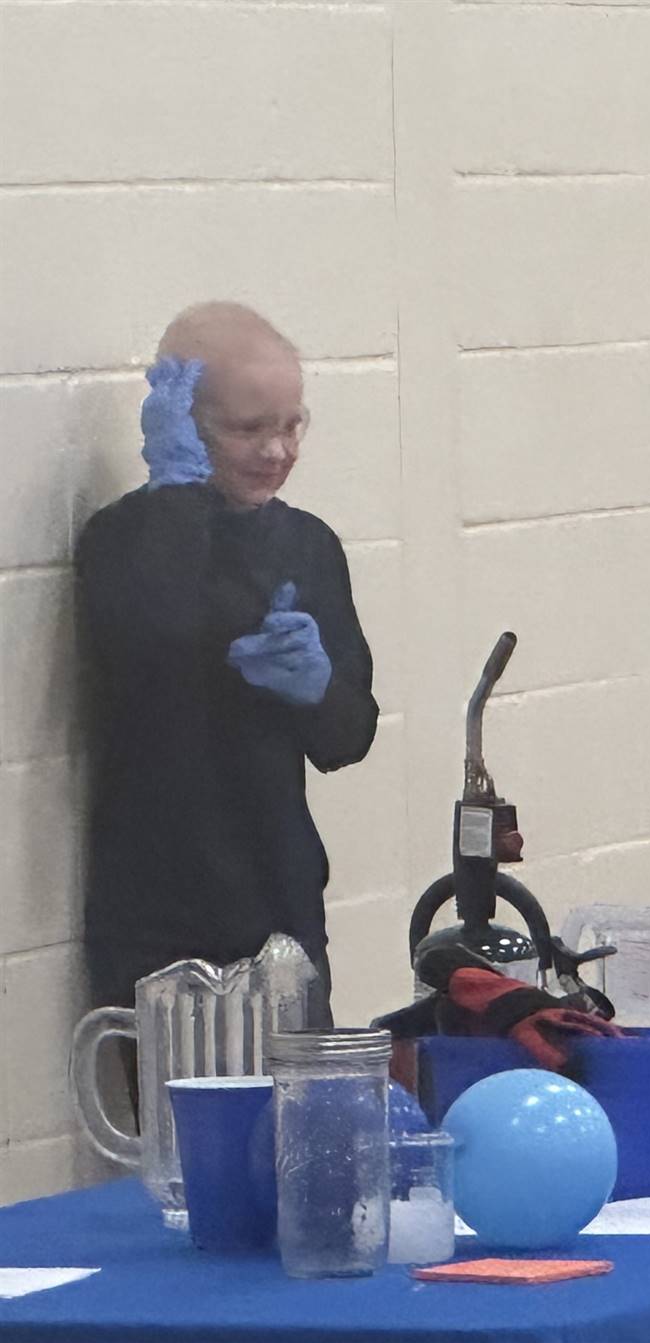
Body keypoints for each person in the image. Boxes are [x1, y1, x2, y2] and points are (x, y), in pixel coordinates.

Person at [76, 301, 378, 1024]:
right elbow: (158, 627)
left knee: (292, 1126)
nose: (277, 450)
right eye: (248, 429)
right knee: (179, 1135)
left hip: (279, 899)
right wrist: (177, 494)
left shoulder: (309, 546)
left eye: (292, 423)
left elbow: (348, 737)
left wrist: (317, 689)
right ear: (185, 423)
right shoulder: (122, 541)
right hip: (154, 913)